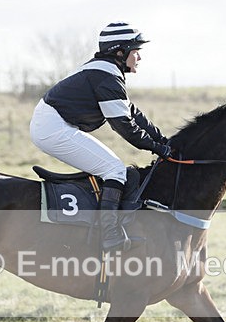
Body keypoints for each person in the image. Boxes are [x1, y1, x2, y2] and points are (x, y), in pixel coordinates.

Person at [30, 22, 173, 253]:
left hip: (54, 125)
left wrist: (164, 141)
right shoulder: (106, 77)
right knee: (115, 170)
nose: (139, 57)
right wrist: (157, 148)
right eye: (136, 51)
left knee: (113, 168)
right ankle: (110, 235)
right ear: (120, 52)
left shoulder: (106, 72)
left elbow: (133, 113)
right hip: (53, 128)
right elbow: (124, 127)